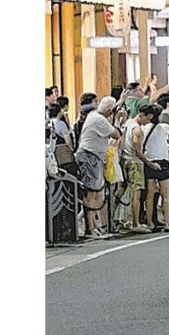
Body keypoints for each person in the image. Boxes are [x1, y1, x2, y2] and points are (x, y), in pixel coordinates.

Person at [74, 97, 123, 238]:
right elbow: (116, 134)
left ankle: (94, 226)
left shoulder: (94, 116)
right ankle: (90, 228)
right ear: (109, 111)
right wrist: (118, 120)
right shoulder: (99, 120)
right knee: (92, 193)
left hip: (92, 157)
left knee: (95, 192)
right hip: (90, 157)